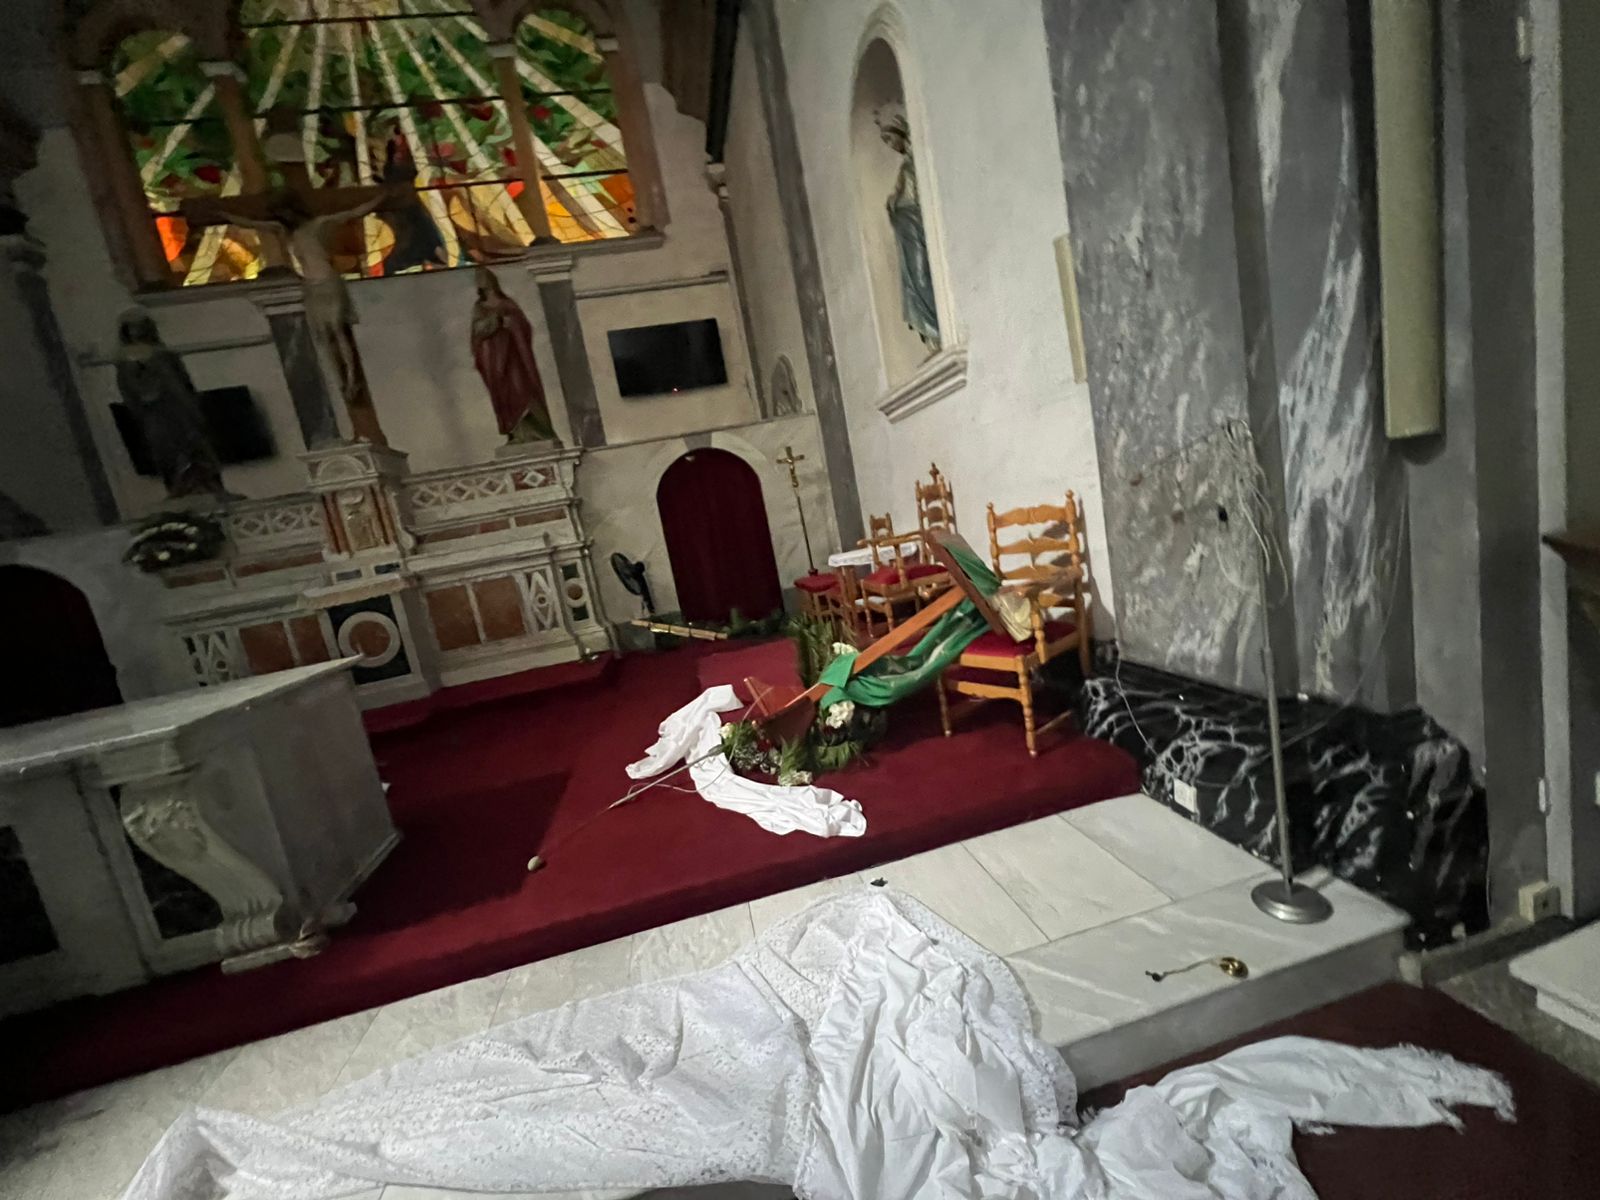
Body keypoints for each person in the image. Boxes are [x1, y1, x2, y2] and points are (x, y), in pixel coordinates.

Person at [114, 310, 229, 499]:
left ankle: (209, 485)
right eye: (132, 327)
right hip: (154, 415)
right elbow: (129, 391)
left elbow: (181, 383)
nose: (137, 331)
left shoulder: (164, 355)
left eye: (140, 326)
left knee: (196, 447)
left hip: (179, 410)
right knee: (167, 453)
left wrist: (192, 408)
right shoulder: (125, 362)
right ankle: (179, 488)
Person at [470, 266, 558, 444]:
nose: (481, 281)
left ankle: (536, 431)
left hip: (513, 359)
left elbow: (523, 326)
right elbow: (477, 332)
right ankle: (517, 433)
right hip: (494, 362)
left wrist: (512, 324)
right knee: (505, 396)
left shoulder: (507, 304)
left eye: (484, 277)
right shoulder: (479, 308)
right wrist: (497, 321)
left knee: (521, 390)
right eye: (478, 278)